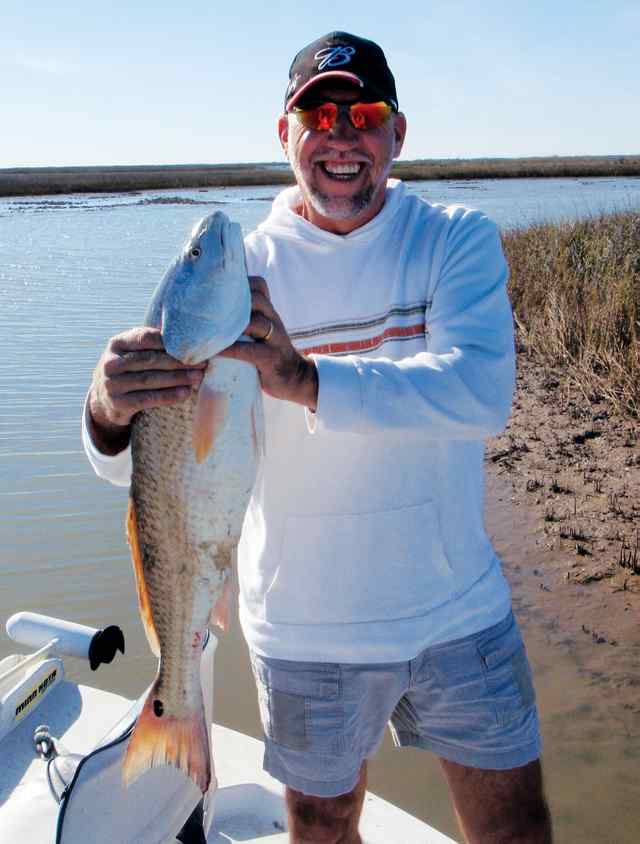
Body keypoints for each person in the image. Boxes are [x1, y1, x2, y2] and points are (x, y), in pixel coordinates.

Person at [83, 31, 553, 844]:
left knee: (515, 826)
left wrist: (308, 379)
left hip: (459, 611)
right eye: (318, 112)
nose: (341, 133)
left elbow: (481, 394)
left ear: (396, 135)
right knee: (321, 825)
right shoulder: (239, 271)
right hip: (305, 630)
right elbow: (149, 470)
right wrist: (105, 408)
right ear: (285, 133)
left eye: (364, 114)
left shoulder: (455, 238)